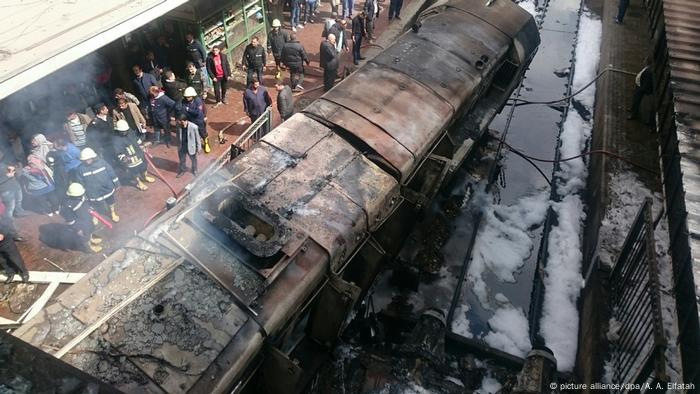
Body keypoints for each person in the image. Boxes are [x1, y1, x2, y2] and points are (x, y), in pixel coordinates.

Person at [75, 147, 120, 222]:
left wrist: (116, 183)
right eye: (85, 160)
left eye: (88, 159)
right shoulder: (80, 169)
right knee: (93, 204)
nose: (87, 161)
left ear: (93, 157)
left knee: (110, 201)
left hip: (106, 188)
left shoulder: (102, 163)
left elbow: (111, 172)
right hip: (92, 192)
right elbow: (80, 182)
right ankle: (95, 215)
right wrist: (84, 193)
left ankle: (112, 212)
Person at [112, 120, 155, 191]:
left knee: (144, 166)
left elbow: (136, 139)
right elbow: (118, 152)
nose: (125, 132)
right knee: (135, 171)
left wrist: (142, 145)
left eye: (126, 130)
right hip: (131, 159)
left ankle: (145, 177)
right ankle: (139, 182)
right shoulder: (116, 139)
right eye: (123, 131)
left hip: (139, 154)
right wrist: (124, 158)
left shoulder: (130, 131)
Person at [62, 183, 103, 253]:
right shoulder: (68, 206)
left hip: (87, 221)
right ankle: (89, 247)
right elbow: (70, 221)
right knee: (84, 237)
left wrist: (94, 216)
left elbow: (88, 206)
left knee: (90, 230)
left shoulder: (82, 197)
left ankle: (91, 238)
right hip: (80, 225)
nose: (81, 196)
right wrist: (78, 230)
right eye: (79, 195)